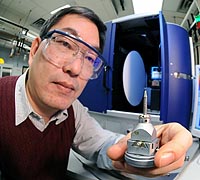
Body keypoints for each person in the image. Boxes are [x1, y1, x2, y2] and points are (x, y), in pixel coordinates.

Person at [0, 6, 192, 179]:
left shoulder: (73, 111)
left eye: (90, 58)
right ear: (34, 51)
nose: (75, 68)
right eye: (65, 44)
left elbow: (103, 145)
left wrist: (142, 148)